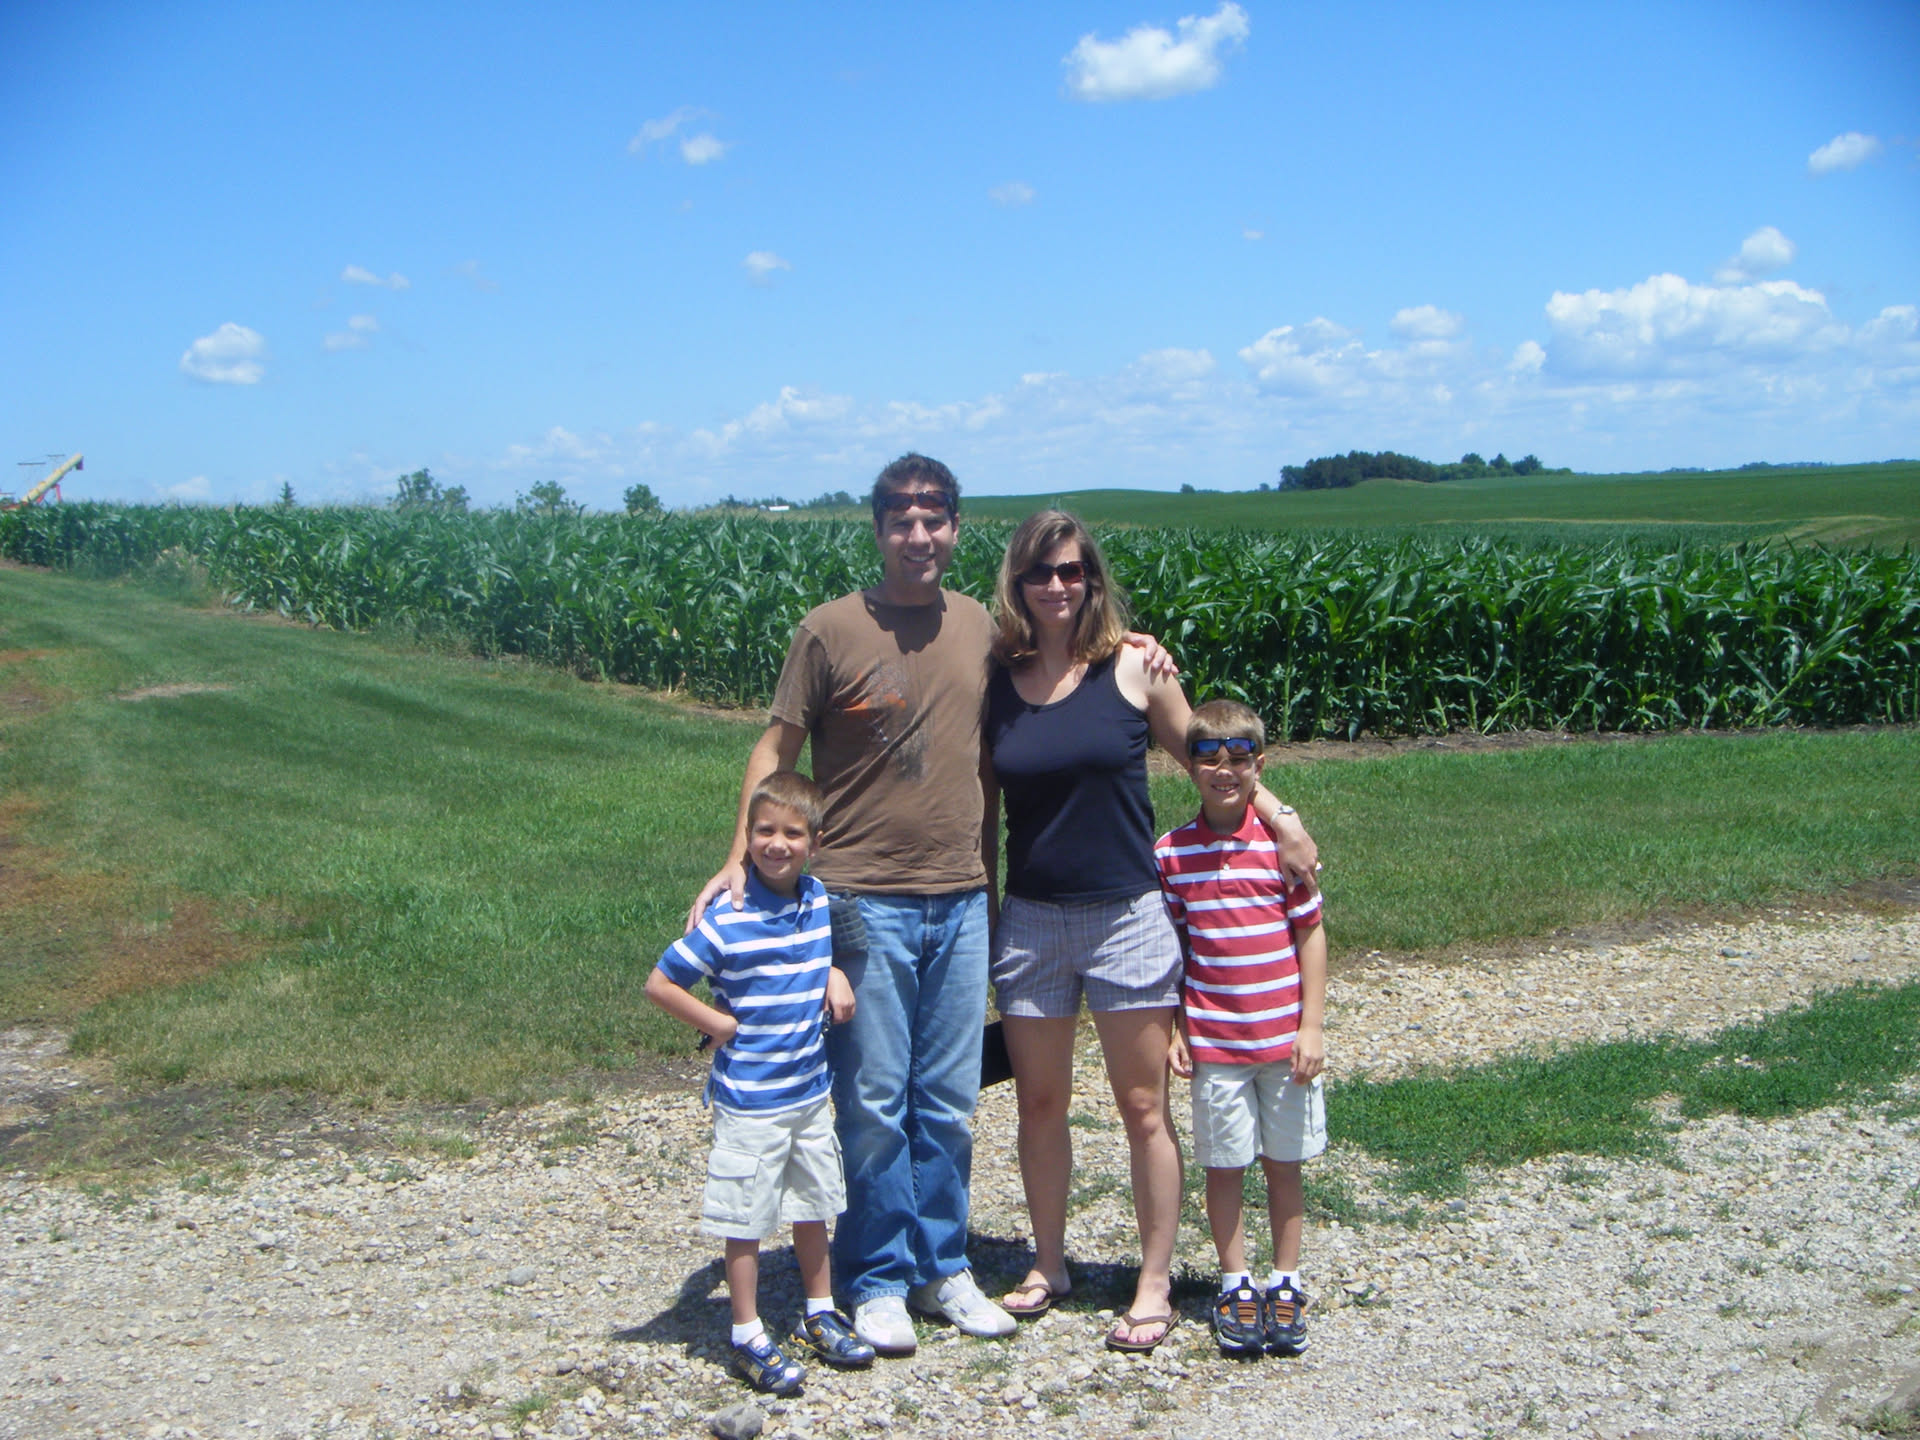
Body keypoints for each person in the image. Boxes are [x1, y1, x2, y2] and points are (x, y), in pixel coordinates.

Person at [685, 454, 1017, 1356]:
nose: (919, 535)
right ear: (877, 530)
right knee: (871, 1101)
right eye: (901, 519)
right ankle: (875, 1280)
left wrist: (990, 885)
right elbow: (776, 749)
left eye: (934, 518)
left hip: (960, 897)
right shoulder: (829, 630)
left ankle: (943, 1266)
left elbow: (1034, 709)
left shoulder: (981, 628)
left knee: (947, 1098)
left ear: (956, 528)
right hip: (862, 898)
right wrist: (738, 858)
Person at [983, 511, 1319, 1354]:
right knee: (1039, 1103)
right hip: (1031, 919)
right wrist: (987, 916)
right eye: (1039, 572)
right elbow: (982, 814)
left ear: (1092, 580)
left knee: (1143, 1108)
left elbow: (1215, 757)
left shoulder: (1136, 666)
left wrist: (1282, 820)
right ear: (1017, 583)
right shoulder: (997, 678)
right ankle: (1049, 1264)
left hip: (1128, 917)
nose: (1057, 586)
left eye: (1072, 571)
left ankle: (1154, 1282)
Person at [645, 770, 876, 1395]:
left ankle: (819, 1310)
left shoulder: (818, 899)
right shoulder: (729, 917)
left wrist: (833, 973)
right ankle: (746, 1332)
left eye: (793, 833)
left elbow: (823, 950)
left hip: (809, 1093)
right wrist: (716, 1022)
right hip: (750, 1101)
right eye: (765, 831)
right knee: (746, 1217)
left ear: (815, 842)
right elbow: (661, 982)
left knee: (814, 1204)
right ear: (746, 837)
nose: (778, 844)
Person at [1158, 700, 1327, 1360]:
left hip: (1283, 1044)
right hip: (1215, 1044)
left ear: (1260, 765)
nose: (1223, 770)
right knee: (1224, 1166)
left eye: (1238, 757)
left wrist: (1311, 1026)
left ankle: (1285, 1280)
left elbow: (1310, 934)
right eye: (1208, 757)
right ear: (1190, 767)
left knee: (1284, 1164)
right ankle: (1235, 1283)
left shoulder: (1282, 849)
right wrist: (1177, 1026)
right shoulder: (1171, 854)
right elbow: (1174, 947)